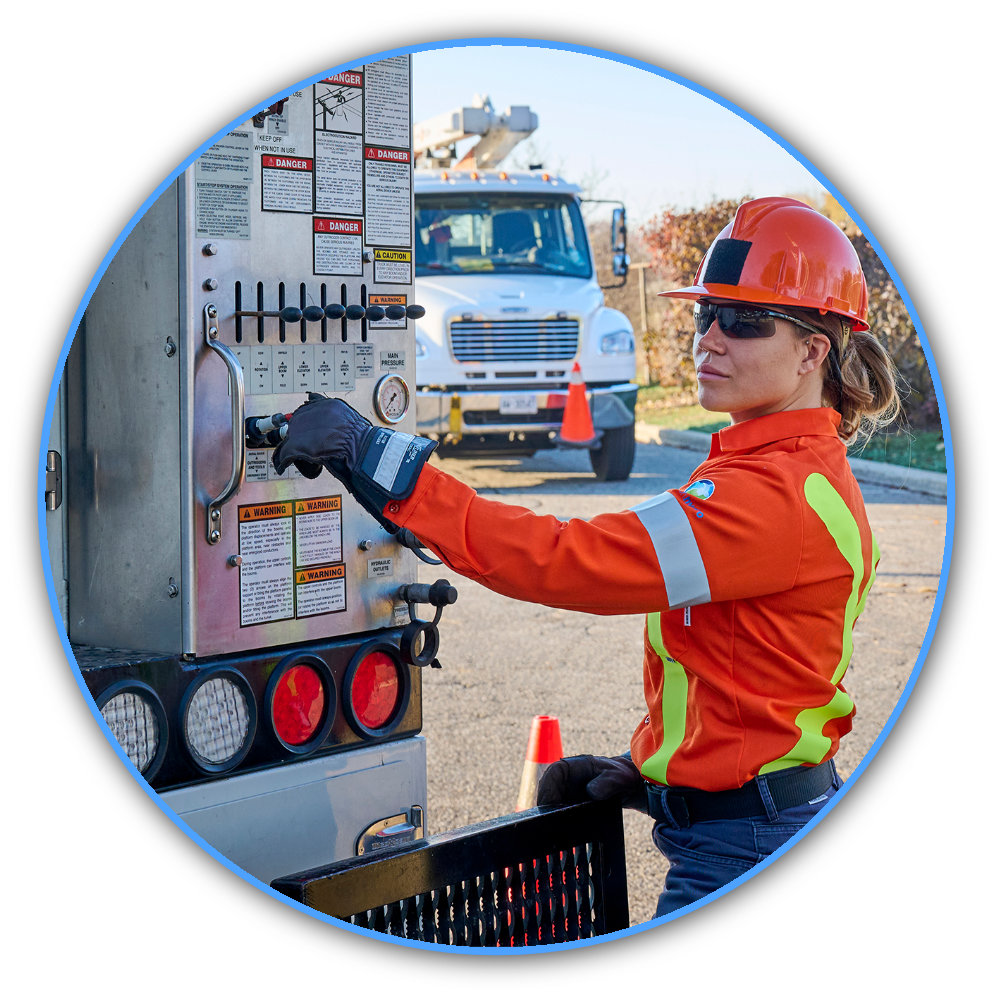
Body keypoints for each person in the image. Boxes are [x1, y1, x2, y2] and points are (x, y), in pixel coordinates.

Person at [272, 196, 900, 919]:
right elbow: (758, 674)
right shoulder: (795, 470)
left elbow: (565, 560)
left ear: (812, 350)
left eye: (744, 320)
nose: (710, 338)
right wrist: (646, 772)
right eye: (704, 314)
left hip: (744, 849)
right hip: (757, 823)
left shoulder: (770, 496)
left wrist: (378, 456)